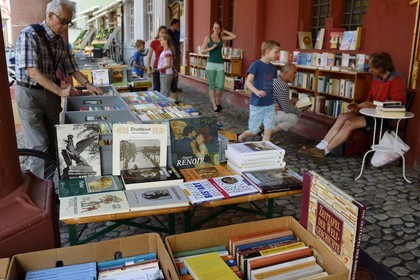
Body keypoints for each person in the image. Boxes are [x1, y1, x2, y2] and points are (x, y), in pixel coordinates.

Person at [15, 0, 103, 175]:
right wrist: (60, 91)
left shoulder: (61, 43)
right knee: (39, 144)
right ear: (49, 16)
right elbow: (32, 72)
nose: (65, 27)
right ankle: (39, 188)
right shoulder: (29, 35)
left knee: (54, 141)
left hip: (50, 96)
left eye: (68, 23)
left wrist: (88, 84)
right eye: (63, 21)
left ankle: (48, 182)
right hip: (29, 94)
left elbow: (73, 69)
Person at [299, 52, 407, 158]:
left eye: (372, 67)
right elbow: (370, 97)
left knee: (349, 123)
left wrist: (372, 105)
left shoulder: (396, 80)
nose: (370, 70)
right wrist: (360, 106)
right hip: (371, 112)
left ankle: (324, 152)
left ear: (382, 67)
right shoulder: (376, 78)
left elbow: (397, 104)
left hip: (385, 117)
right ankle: (319, 147)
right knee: (342, 117)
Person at [237, 40, 281, 142]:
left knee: (268, 130)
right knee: (254, 130)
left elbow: (272, 87)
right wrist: (256, 91)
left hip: (269, 105)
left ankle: (264, 150)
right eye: (276, 52)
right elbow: (248, 82)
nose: (277, 55)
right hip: (257, 104)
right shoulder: (256, 64)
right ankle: (242, 136)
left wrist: (274, 103)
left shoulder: (273, 69)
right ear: (267, 51)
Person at [200, 21, 236, 112]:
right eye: (215, 28)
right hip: (211, 64)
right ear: (212, 28)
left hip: (220, 64)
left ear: (220, 29)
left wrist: (225, 30)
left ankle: (217, 99)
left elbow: (234, 36)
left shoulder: (221, 37)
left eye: (218, 28)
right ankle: (214, 104)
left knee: (220, 86)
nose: (216, 30)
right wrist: (212, 48)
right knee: (212, 85)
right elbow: (202, 51)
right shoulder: (208, 38)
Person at [271, 63, 308, 134]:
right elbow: (286, 109)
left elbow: (280, 102)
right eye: (294, 73)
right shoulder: (283, 86)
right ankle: (267, 133)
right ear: (286, 72)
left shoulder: (275, 80)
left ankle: (265, 132)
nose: (295, 76)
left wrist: (290, 101)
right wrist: (300, 110)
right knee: (293, 118)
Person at [147, 25, 167, 92]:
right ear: (158, 33)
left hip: (165, 66)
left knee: (166, 88)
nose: (163, 34)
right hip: (157, 66)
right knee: (156, 88)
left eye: (165, 32)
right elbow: (149, 56)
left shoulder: (167, 42)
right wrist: (148, 69)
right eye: (162, 32)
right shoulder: (154, 42)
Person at [167, 18, 182, 102]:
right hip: (171, 53)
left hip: (177, 53)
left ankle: (175, 85)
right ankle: (171, 85)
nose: (178, 26)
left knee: (176, 70)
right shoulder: (168, 32)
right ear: (173, 24)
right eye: (177, 24)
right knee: (171, 69)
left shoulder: (178, 32)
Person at [157, 34, 174, 99]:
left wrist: (159, 68)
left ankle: (165, 107)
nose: (160, 42)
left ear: (165, 41)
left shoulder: (167, 52)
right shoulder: (165, 51)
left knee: (165, 94)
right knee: (163, 92)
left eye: (161, 40)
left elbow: (168, 64)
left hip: (166, 73)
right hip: (164, 73)